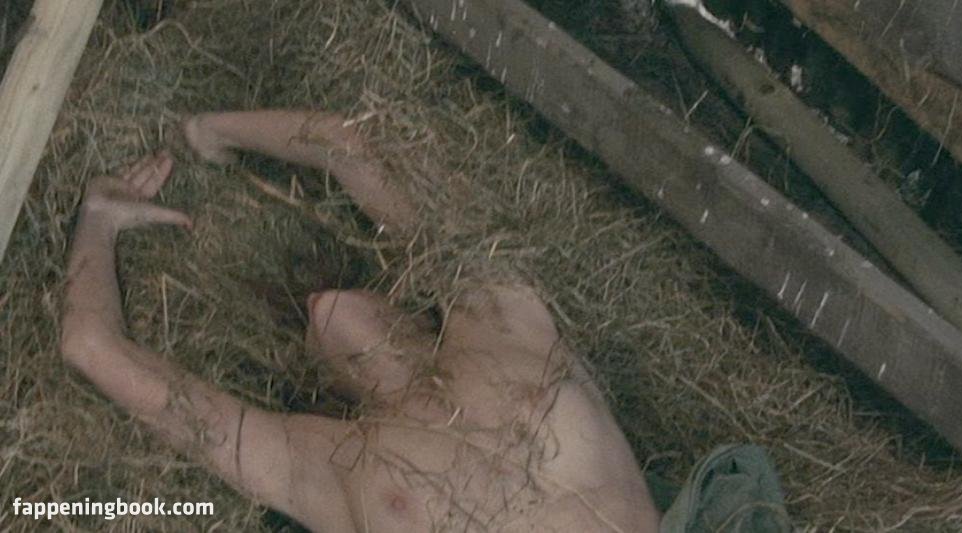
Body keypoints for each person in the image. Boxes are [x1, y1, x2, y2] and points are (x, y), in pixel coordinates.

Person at [60, 110, 661, 532]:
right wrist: (102, 215)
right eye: (320, 333)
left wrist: (210, 130)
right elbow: (88, 348)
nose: (324, 306)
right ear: (336, 397)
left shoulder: (499, 320)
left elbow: (348, 142)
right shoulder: (329, 468)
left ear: (415, 313)